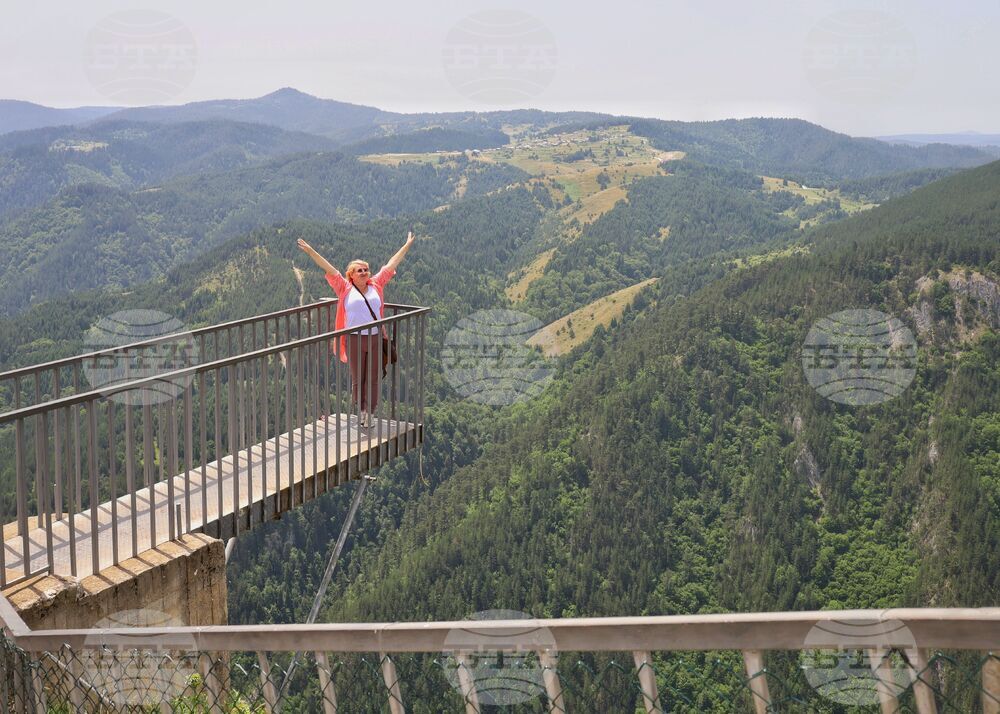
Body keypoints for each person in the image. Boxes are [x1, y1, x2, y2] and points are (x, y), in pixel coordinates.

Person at [297, 231, 415, 428]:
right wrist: (310, 251)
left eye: (366, 270)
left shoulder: (376, 285)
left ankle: (370, 412)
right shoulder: (343, 287)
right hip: (353, 339)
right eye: (359, 270)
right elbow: (328, 268)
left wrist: (407, 245)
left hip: (376, 337)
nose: (364, 273)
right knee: (358, 378)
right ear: (350, 274)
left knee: (374, 377)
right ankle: (361, 411)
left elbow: (391, 265)